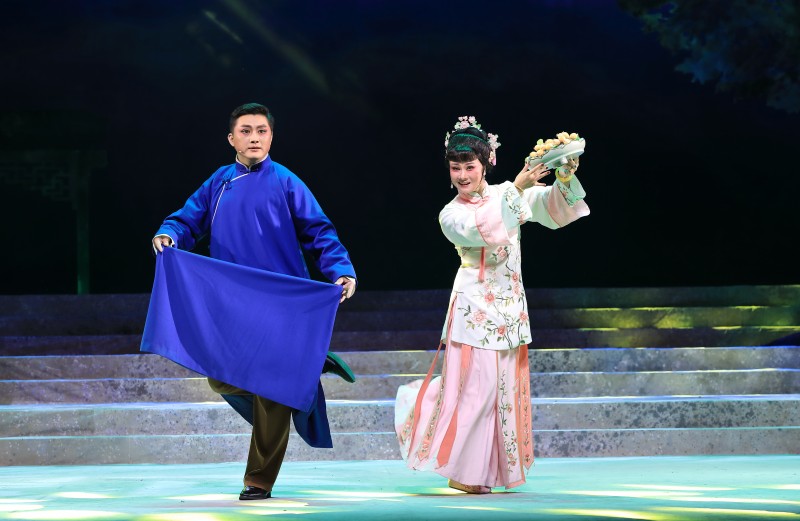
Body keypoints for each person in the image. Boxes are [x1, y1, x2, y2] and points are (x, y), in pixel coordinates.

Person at [151, 102, 357, 500]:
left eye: (261, 131)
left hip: (281, 305)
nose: (254, 137)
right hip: (233, 303)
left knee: (272, 388)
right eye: (246, 131)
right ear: (232, 139)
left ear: (271, 137)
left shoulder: (286, 181)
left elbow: (320, 232)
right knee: (220, 378)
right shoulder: (220, 182)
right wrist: (168, 233)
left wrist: (341, 270)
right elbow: (186, 219)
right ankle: (305, 376)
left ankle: (258, 479)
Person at [395, 116, 589, 493]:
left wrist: (564, 177)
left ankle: (487, 472)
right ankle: (464, 472)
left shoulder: (506, 192)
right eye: (456, 168)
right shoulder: (451, 213)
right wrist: (516, 187)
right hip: (474, 312)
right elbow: (483, 229)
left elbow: (553, 209)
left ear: (486, 164)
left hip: (510, 310)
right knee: (478, 393)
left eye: (470, 167)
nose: (462, 175)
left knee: (502, 395)